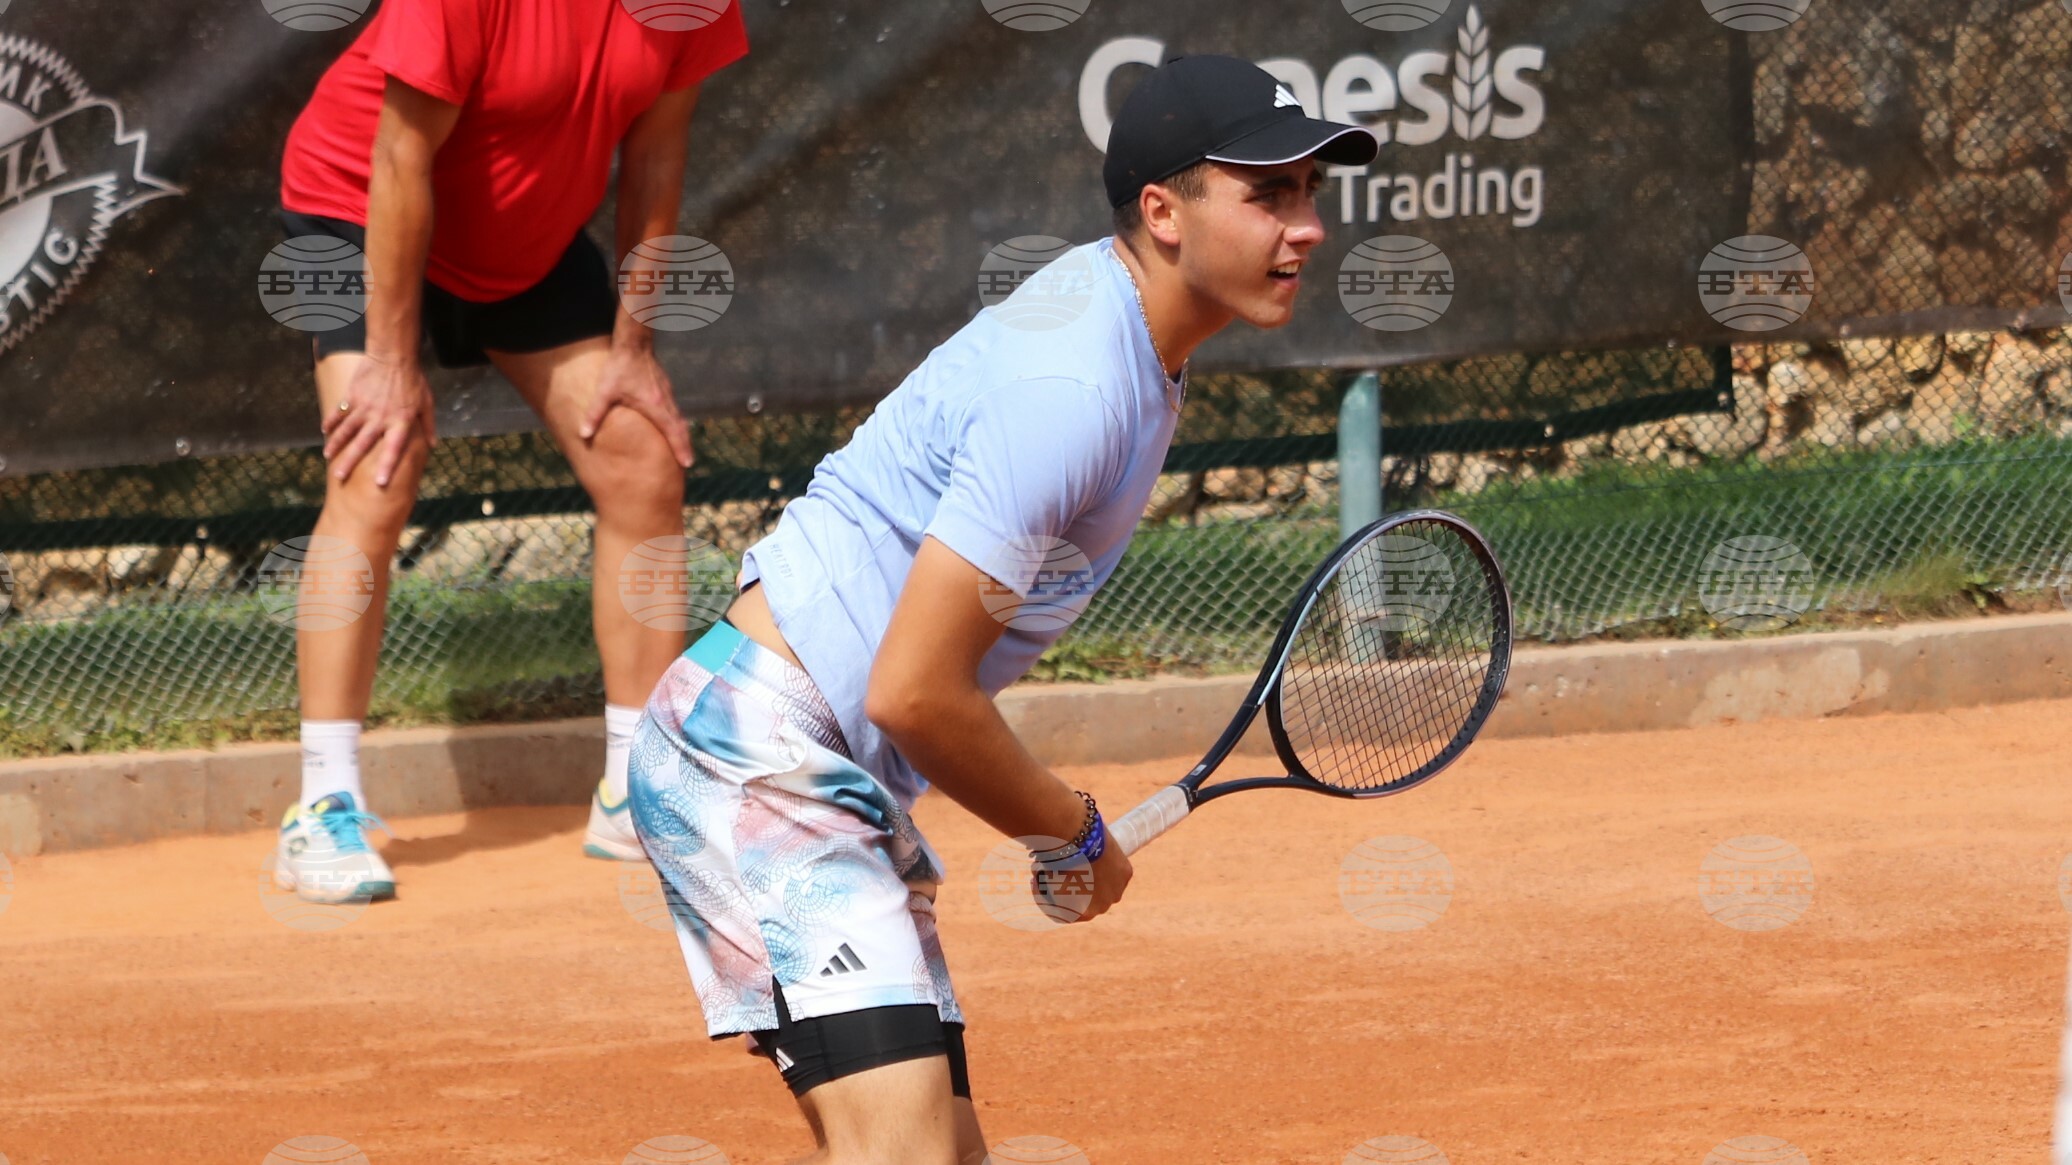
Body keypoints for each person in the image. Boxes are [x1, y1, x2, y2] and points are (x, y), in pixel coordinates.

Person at [628, 56, 1377, 1164]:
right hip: (760, 755)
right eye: (1268, 195)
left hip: (816, 761)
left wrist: (1059, 835)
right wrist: (1070, 833)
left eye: (1308, 192)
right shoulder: (1074, 387)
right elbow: (916, 691)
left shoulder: (1126, 334)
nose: (1307, 226)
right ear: (1163, 213)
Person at [270, 0, 748, 903]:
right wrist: (390, 363)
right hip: (359, 204)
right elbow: (399, 155)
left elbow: (657, 155)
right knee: (379, 464)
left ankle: (637, 790)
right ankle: (322, 803)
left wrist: (634, 346)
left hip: (518, 236)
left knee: (641, 460)